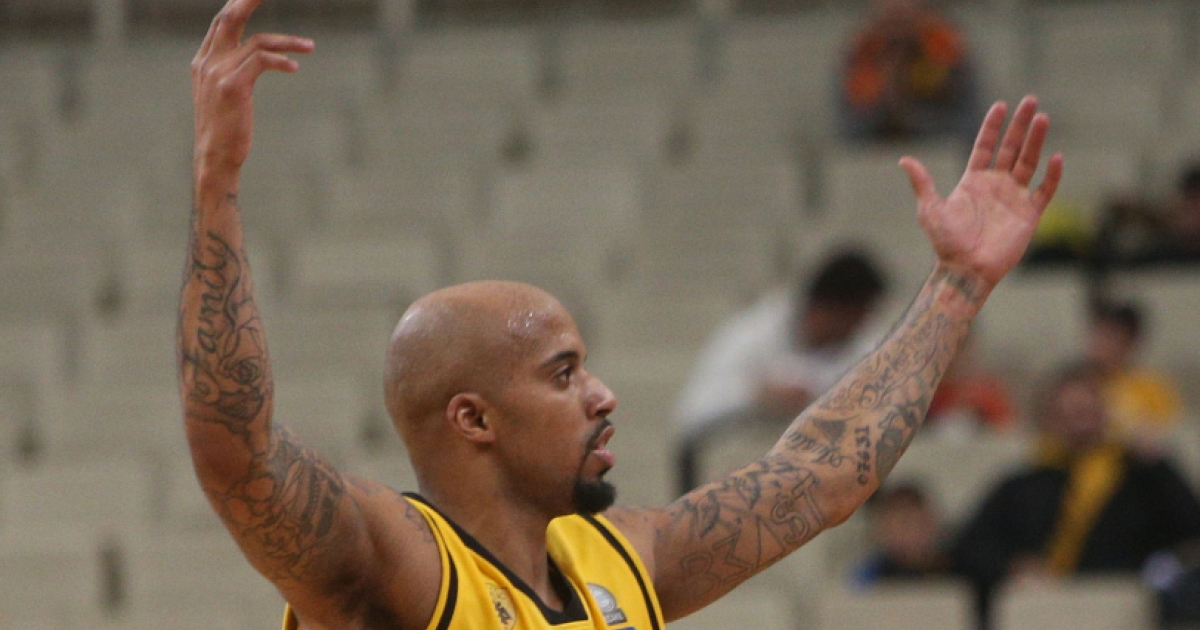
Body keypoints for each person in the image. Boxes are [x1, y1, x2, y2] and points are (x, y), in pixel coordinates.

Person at [179, 1, 1062, 628]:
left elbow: (819, 476)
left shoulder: (624, 559)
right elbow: (235, 452)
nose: (602, 395)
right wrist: (217, 186)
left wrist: (956, 286)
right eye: (563, 374)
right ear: (473, 418)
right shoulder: (401, 565)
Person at [951, 362, 1200, 629]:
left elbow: (1190, 526)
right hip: (1041, 614)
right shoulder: (1023, 485)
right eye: (1066, 414)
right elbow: (966, 549)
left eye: (1085, 412)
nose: (1078, 423)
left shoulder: (1139, 480)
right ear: (1048, 420)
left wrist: (1157, 464)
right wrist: (1012, 566)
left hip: (1117, 613)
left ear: (1106, 413)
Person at [673, 250, 889, 495]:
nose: (858, 328)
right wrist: (759, 396)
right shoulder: (750, 334)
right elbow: (690, 415)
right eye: (854, 319)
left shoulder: (865, 346)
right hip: (736, 469)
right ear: (830, 309)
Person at [838, 0, 979, 143]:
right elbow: (850, 130)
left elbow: (966, 125)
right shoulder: (862, 52)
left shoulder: (946, 49)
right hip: (874, 153)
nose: (898, 6)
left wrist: (910, 115)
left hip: (937, 149)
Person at [1085, 300, 1183, 446]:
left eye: (1110, 336)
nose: (1099, 343)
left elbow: (1163, 438)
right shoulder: (1075, 385)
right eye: (1097, 335)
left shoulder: (1154, 389)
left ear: (1130, 342)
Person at [851, 482, 950, 588]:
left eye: (918, 524)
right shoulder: (871, 573)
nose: (911, 534)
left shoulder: (952, 565)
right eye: (903, 524)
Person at [924, 330, 1014, 439]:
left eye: (957, 347)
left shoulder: (986, 395)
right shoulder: (919, 396)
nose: (949, 357)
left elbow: (1007, 434)